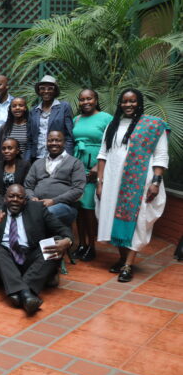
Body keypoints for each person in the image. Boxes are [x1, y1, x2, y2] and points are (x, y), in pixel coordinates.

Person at [96, 89, 169, 282]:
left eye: (133, 101)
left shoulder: (153, 125)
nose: (128, 105)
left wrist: (156, 182)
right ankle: (122, 259)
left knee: (138, 220)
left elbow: (161, 155)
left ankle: (128, 265)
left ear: (139, 102)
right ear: (120, 104)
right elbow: (103, 154)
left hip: (139, 182)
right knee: (112, 219)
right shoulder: (113, 125)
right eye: (125, 101)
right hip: (112, 181)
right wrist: (100, 181)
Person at [0, 185, 73, 315]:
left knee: (54, 245)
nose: (15, 199)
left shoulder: (37, 209)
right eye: (11, 196)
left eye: (20, 197)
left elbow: (62, 229)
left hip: (30, 261)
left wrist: (67, 240)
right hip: (5, 264)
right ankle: (27, 294)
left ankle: (20, 292)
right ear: (5, 198)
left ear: (25, 200)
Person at [72, 89, 112, 261]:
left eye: (89, 98)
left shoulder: (106, 118)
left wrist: (98, 166)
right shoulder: (76, 119)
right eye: (82, 99)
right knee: (78, 207)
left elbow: (112, 144)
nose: (85, 102)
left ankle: (92, 246)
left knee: (88, 207)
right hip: (77, 168)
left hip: (95, 167)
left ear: (96, 100)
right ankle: (82, 244)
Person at [24, 130, 85, 226]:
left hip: (64, 206)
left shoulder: (75, 163)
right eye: (50, 140)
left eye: (58, 140)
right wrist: (32, 198)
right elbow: (27, 187)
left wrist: (53, 201)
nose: (54, 143)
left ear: (64, 143)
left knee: (45, 213)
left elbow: (78, 190)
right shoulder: (37, 163)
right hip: (38, 205)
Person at [28, 75, 74, 161]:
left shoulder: (64, 107)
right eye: (42, 88)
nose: (46, 91)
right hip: (37, 157)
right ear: (39, 91)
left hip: (58, 156)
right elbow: (30, 138)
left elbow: (69, 136)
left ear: (55, 91)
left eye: (50, 88)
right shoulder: (34, 111)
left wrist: (67, 159)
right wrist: (27, 160)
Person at [0, 138, 31, 207]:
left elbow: (26, 188)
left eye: (10, 148)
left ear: (17, 150)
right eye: (4, 149)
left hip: (19, 202)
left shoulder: (25, 165)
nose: (6, 151)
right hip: (0, 202)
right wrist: (1, 202)